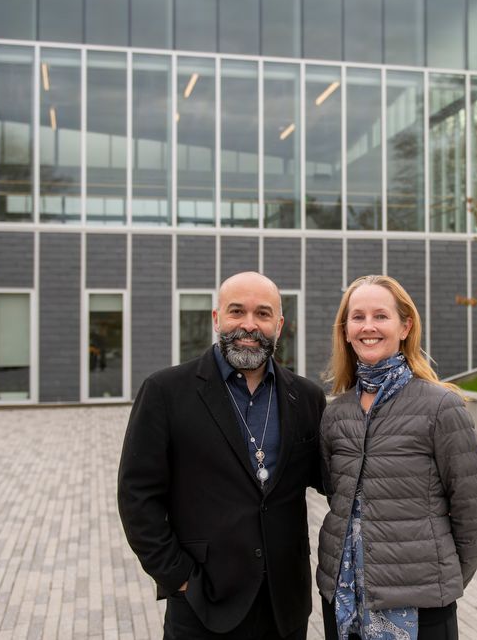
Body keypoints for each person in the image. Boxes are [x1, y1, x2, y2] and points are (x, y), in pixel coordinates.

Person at [118, 271, 326, 640]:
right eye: (236, 312)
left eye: (263, 314)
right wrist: (178, 577)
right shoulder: (165, 392)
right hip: (202, 604)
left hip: (285, 607)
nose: (249, 325)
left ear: (279, 325)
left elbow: (333, 480)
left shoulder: (307, 397)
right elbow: (137, 497)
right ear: (217, 318)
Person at [316, 275, 477, 640]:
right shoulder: (336, 413)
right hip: (344, 598)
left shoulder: (441, 407)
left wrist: (441, 578)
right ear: (346, 331)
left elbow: (472, 510)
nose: (368, 327)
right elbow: (339, 496)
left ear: (405, 326)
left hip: (421, 605)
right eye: (357, 317)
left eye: (381, 316)